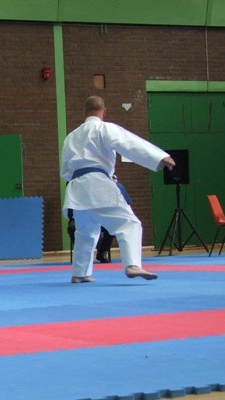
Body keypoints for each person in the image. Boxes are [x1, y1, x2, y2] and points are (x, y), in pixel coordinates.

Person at [61, 95, 175, 284]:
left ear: (85, 112)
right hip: (98, 183)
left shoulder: (71, 137)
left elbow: (65, 170)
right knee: (129, 224)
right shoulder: (104, 128)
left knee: (85, 232)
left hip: (76, 188)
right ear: (104, 111)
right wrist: (158, 157)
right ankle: (132, 264)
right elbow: (129, 143)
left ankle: (80, 273)